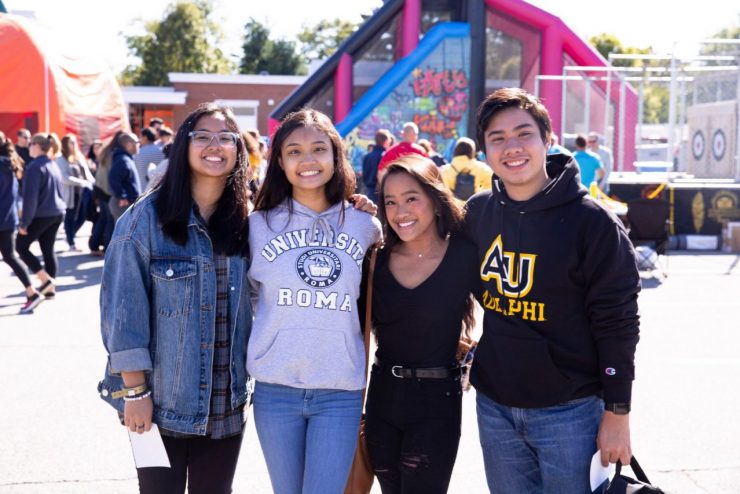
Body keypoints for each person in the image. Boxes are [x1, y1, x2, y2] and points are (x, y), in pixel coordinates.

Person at [465, 88, 640, 493]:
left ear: (548, 138)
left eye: (524, 133)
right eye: (498, 138)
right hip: (495, 406)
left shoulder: (592, 223)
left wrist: (618, 412)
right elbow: (433, 261)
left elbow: (618, 323)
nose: (512, 147)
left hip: (570, 411)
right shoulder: (477, 213)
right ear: (485, 150)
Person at [98, 103, 253, 494]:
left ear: (239, 149)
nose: (214, 145)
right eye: (202, 136)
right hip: (158, 404)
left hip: (226, 406)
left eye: (225, 137)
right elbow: (122, 317)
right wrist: (135, 394)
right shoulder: (142, 221)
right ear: (183, 145)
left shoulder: (248, 223)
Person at [248, 109, 382, 494]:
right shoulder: (257, 226)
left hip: (339, 391)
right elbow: (248, 298)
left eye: (319, 149)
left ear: (336, 156)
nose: (308, 160)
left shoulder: (363, 224)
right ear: (280, 162)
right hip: (276, 388)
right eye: (294, 151)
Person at [365, 155, 478, 493]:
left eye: (412, 198)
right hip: (383, 398)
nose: (401, 212)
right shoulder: (376, 259)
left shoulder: (464, 255)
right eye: (391, 202)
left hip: (436, 401)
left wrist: (478, 356)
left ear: (435, 199)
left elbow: (508, 313)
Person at [15, 133, 66, 313]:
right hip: (57, 212)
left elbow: (30, 199)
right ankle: (50, 289)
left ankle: (46, 280)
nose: (29, 147)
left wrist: (24, 223)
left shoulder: (35, 166)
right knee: (47, 248)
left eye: (30, 144)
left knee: (20, 246)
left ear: (37, 145)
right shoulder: (52, 164)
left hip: (43, 214)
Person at [0, 132, 40, 304]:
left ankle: (32, 291)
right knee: (10, 256)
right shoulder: (10, 163)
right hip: (8, 218)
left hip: (4, 218)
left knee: (10, 256)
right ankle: (31, 291)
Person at [57, 134, 95, 251]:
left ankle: (70, 235)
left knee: (83, 216)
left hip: (84, 192)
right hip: (70, 193)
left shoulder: (78, 157)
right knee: (70, 217)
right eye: (71, 142)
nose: (73, 145)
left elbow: (87, 174)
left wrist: (92, 183)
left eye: (74, 142)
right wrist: (82, 182)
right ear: (65, 144)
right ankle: (71, 242)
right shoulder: (61, 159)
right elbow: (64, 178)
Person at [440, 137, 493, 202]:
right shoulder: (481, 167)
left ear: (456, 150)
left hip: (454, 207)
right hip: (474, 205)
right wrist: (480, 195)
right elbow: (491, 184)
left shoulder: (446, 169)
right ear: (472, 150)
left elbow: (443, 190)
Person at [108, 133, 141, 221]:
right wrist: (122, 197)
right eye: (137, 142)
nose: (139, 144)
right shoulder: (123, 160)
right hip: (123, 204)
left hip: (126, 203)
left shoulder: (126, 158)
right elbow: (113, 178)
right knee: (123, 234)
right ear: (129, 144)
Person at [362, 128, 391, 203]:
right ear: (386, 141)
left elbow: (364, 174)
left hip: (368, 190)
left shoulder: (367, 156)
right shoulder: (385, 156)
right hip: (380, 192)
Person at [134, 127, 165, 191]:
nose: (139, 140)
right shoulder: (161, 150)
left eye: (140, 137)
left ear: (145, 137)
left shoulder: (139, 153)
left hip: (143, 187)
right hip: (160, 187)